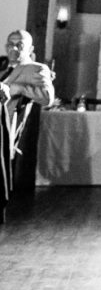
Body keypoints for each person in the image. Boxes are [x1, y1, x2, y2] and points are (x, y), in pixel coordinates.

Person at [1, 29, 55, 221]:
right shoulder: (2, 67)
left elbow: (47, 98)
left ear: (30, 49)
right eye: (10, 44)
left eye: (20, 45)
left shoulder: (36, 69)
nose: (14, 49)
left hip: (5, 128)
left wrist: (17, 88)